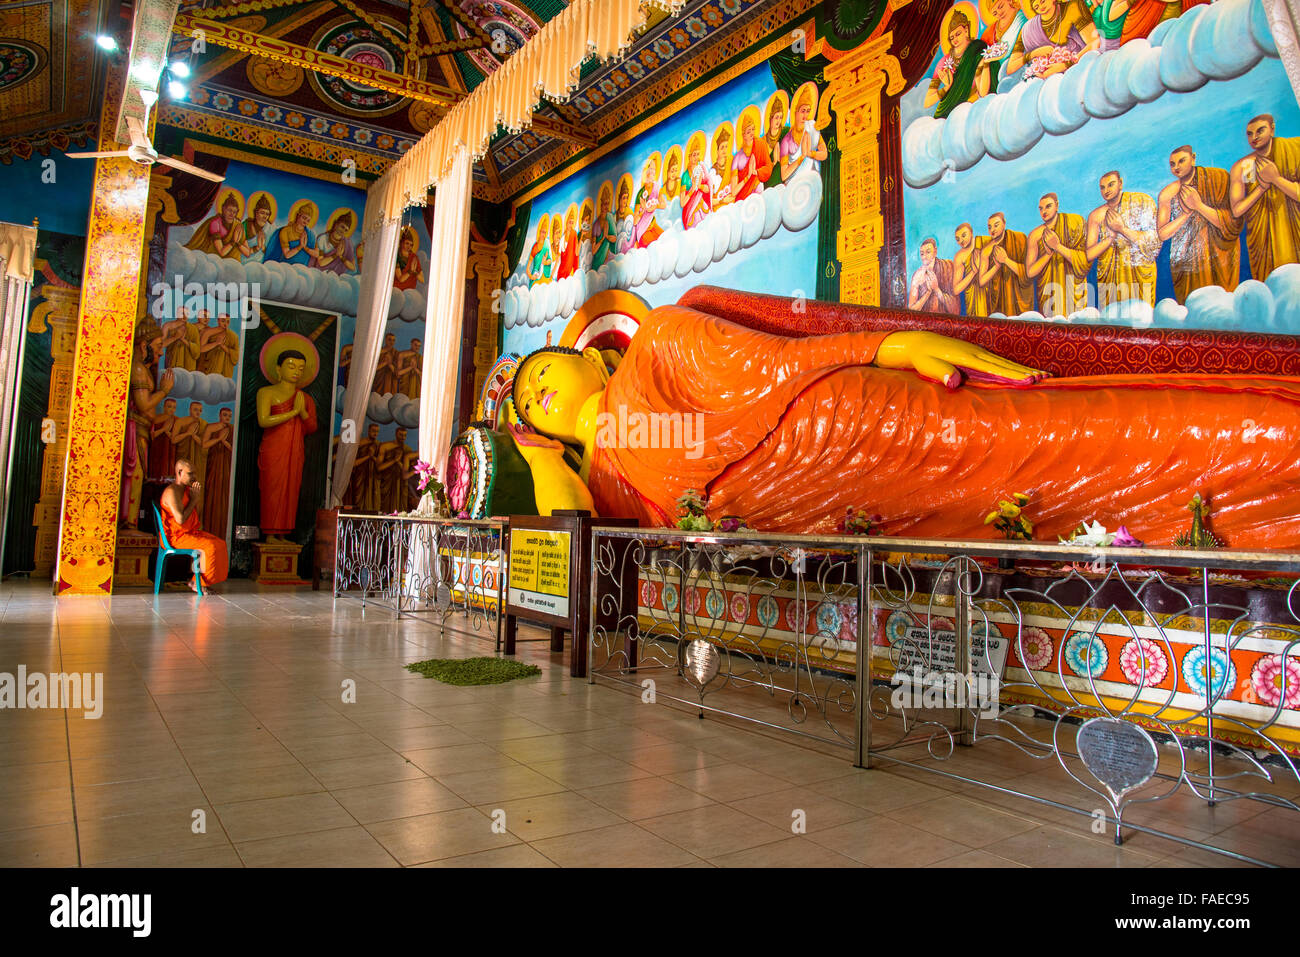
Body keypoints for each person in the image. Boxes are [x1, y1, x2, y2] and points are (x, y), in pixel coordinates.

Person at [509, 304, 1300, 548]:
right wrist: (541, 451)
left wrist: (892, 345)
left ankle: (1273, 433)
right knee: (1040, 503)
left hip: (846, 420)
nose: (534, 385)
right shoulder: (603, 478)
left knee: (1044, 433)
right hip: (833, 511)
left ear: (595, 358)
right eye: (526, 397)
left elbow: (784, 362)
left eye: (542, 367)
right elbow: (567, 543)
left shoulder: (659, 343)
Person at [1157, 145, 1241, 300]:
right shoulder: (1167, 193)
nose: (1177, 167)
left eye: (1182, 161)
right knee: (1192, 304)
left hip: (1218, 255)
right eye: (1172, 164)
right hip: (1185, 259)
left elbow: (1232, 222)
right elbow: (1162, 234)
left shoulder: (1218, 179)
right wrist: (1185, 215)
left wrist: (1199, 206)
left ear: (1193, 158)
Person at [1230, 114, 1300, 282]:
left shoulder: (1294, 149)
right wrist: (1261, 187)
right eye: (1249, 134)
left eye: (1260, 131)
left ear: (1272, 128)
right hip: (1262, 240)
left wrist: (1277, 179)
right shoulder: (1243, 166)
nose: (1254, 137)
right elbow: (1237, 210)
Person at [256, 349, 317, 543]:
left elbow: (312, 427)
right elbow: (263, 420)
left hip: (295, 450)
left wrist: (303, 413)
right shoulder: (266, 392)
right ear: (278, 369)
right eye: (291, 366)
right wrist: (293, 413)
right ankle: (270, 532)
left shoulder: (305, 398)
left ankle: (284, 533)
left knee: (291, 490)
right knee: (272, 489)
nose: (296, 372)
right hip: (274, 449)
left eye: (300, 368)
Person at [122, 323, 173, 528]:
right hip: (134, 430)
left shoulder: (143, 369)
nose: (161, 352)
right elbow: (143, 404)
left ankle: (130, 522)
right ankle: (128, 523)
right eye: (159, 346)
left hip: (141, 430)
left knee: (137, 477)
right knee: (132, 476)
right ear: (144, 346)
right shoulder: (137, 368)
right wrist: (163, 391)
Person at [1086, 171, 1159, 308]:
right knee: (1113, 319)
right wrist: (1110, 238)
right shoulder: (1096, 216)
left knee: (1141, 318)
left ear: (1121, 183)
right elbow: (1089, 254)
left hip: (1139, 274)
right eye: (1102, 187)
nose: (1106, 190)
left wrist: (1122, 229)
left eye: (1111, 185)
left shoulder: (1141, 201)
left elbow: (1154, 243)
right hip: (1110, 278)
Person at [160, 459, 229, 591]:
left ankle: (197, 581)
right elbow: (180, 520)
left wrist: (193, 498)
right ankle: (198, 584)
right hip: (176, 537)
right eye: (190, 474)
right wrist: (194, 500)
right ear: (180, 472)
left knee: (219, 543)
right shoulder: (172, 492)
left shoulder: (185, 490)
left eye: (194, 474)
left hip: (188, 533)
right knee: (210, 546)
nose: (194, 477)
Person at [1026, 192, 1089, 316]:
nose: (1044, 211)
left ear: (1057, 205)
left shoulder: (1074, 222)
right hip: (1048, 292)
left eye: (1048, 206)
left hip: (1073, 288)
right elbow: (1030, 272)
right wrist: (1048, 254)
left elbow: (1084, 261)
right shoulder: (1035, 235)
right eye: (1041, 208)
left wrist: (1058, 247)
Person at [924, 10, 992, 119]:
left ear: (966, 29)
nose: (955, 39)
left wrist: (985, 64)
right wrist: (947, 87)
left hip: (975, 108)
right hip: (951, 114)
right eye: (951, 37)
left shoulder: (978, 50)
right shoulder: (944, 63)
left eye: (958, 34)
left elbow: (983, 92)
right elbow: (927, 102)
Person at [1007, 0, 1098, 78]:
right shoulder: (1028, 29)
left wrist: (1066, 64)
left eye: (1042, 1)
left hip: (1081, 69)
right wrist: (1034, 54)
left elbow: (1095, 42)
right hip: (1048, 80)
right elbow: (1011, 68)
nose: (1041, 5)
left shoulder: (1073, 8)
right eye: (1036, 4)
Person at [978, 212, 1034, 316]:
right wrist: (996, 266)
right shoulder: (986, 251)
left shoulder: (1019, 239)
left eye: (996, 225)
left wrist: (1006, 260)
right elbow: (982, 281)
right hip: (998, 300)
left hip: (1018, 299)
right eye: (989, 227)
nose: (992, 230)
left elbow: (1028, 274)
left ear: (1004, 224)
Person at [780, 85, 828, 181]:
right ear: (795, 112)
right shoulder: (787, 140)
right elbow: (784, 175)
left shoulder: (812, 129)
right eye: (802, 111)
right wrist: (801, 159)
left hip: (813, 176)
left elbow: (824, 154)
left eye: (808, 111)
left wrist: (810, 154)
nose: (805, 116)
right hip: (795, 183)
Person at [186, 192, 248, 259]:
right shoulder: (216, 223)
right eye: (229, 210)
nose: (232, 214)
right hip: (214, 259)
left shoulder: (238, 226)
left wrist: (238, 243)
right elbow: (221, 252)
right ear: (223, 209)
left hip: (232, 262)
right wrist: (233, 242)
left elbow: (247, 253)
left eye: (234, 212)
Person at [201, 408, 233, 536]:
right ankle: (208, 527)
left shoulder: (232, 429)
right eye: (225, 415)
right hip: (214, 462)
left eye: (229, 416)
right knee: (211, 492)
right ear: (219, 415)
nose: (227, 418)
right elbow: (204, 444)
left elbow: (233, 448)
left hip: (226, 463)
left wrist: (224, 441)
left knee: (224, 494)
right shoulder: (211, 427)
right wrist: (219, 439)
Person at [907, 238, 960, 314]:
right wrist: (928, 293)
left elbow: (955, 306)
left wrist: (936, 289)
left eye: (928, 252)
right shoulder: (917, 276)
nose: (924, 257)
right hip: (925, 321)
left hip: (945, 320)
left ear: (935, 252)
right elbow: (912, 310)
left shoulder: (947, 267)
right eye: (922, 254)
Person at [731, 110, 773, 201]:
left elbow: (769, 166)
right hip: (743, 199)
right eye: (748, 131)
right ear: (743, 135)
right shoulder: (737, 158)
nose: (752, 133)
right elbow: (734, 191)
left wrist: (756, 172)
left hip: (758, 190)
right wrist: (747, 178)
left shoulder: (760, 144)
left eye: (753, 129)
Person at [265, 200, 318, 266]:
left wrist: (305, 248)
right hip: (286, 267)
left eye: (308, 220)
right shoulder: (285, 231)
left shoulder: (310, 234)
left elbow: (316, 254)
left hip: (302, 268)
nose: (305, 222)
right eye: (304, 218)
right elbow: (287, 255)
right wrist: (300, 246)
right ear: (298, 216)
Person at [952, 222, 990, 316]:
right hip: (973, 299)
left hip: (990, 292)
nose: (961, 240)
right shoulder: (959, 256)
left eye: (964, 235)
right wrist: (973, 272)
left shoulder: (985, 242)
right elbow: (956, 289)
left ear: (971, 233)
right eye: (958, 239)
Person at [633, 159, 666, 249]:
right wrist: (642, 211)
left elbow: (663, 205)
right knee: (652, 245)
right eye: (649, 168)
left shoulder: (656, 187)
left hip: (653, 225)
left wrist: (655, 206)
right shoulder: (641, 193)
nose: (652, 171)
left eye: (653, 169)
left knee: (665, 238)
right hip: (643, 229)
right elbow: (635, 221)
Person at [762, 94, 790, 189]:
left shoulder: (786, 132)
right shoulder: (763, 141)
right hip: (769, 182)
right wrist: (773, 162)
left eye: (780, 117)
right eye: (776, 117)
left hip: (784, 177)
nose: (778, 121)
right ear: (771, 118)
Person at [149, 397, 178, 480]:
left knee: (168, 467)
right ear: (164, 407)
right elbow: (152, 435)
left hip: (170, 449)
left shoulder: (177, 420)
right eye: (169, 407)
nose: (172, 409)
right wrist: (163, 429)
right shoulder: (156, 419)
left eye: (174, 407)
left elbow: (176, 438)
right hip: (157, 448)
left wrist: (167, 432)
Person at [242, 194, 275, 261]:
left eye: (267, 214)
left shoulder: (271, 229)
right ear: (256, 212)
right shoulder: (246, 225)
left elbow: (273, 254)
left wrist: (263, 248)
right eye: (262, 213)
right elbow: (241, 249)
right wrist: (257, 248)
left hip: (261, 264)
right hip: (244, 261)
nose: (265, 216)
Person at [591, 188, 617, 269]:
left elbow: (614, 239)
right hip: (598, 261)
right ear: (601, 205)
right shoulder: (596, 225)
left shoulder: (610, 217)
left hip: (608, 257)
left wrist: (607, 237)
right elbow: (593, 251)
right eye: (605, 204)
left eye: (608, 204)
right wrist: (602, 239)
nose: (606, 206)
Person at [393, 226, 425, 290]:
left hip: (410, 290)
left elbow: (422, 280)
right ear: (401, 243)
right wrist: (410, 271)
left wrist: (414, 272)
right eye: (407, 243)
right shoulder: (397, 256)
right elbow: (401, 279)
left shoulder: (414, 257)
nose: (409, 247)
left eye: (411, 245)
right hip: (397, 290)